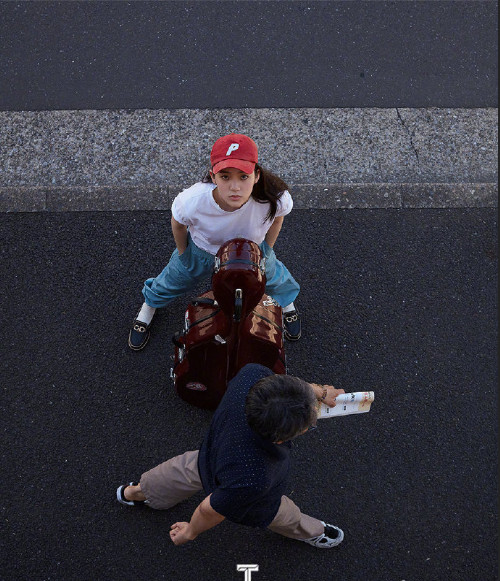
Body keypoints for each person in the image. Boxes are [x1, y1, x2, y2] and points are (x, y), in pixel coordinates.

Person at [116, 363, 346, 548]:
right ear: (279, 440)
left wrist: (319, 392)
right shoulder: (255, 478)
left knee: (182, 470)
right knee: (283, 515)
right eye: (308, 426)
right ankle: (312, 531)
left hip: (212, 454)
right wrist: (190, 531)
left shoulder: (251, 375)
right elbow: (210, 509)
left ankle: (134, 492)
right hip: (252, 495)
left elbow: (281, 385)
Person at [128, 133, 301, 351]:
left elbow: (278, 218)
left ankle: (286, 304)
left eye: (243, 177)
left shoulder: (274, 197)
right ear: (213, 176)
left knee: (275, 278)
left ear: (256, 175)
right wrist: (184, 253)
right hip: (204, 251)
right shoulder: (192, 201)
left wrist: (267, 249)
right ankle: (149, 307)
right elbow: (178, 224)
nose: (235, 187)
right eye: (225, 177)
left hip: (252, 252)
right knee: (173, 279)